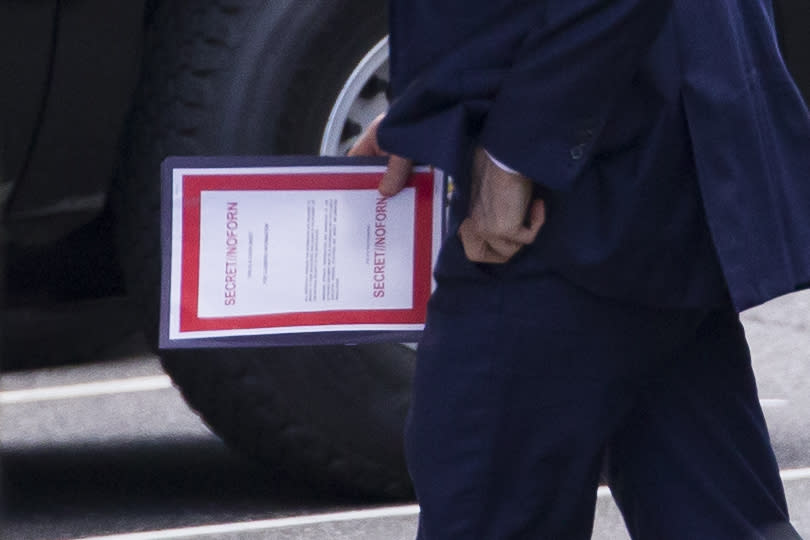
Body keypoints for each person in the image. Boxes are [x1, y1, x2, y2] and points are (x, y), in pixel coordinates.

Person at [350, 1, 810, 538]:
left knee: (488, 507)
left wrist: (514, 153)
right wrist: (439, 106)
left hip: (579, 196)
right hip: (658, 150)